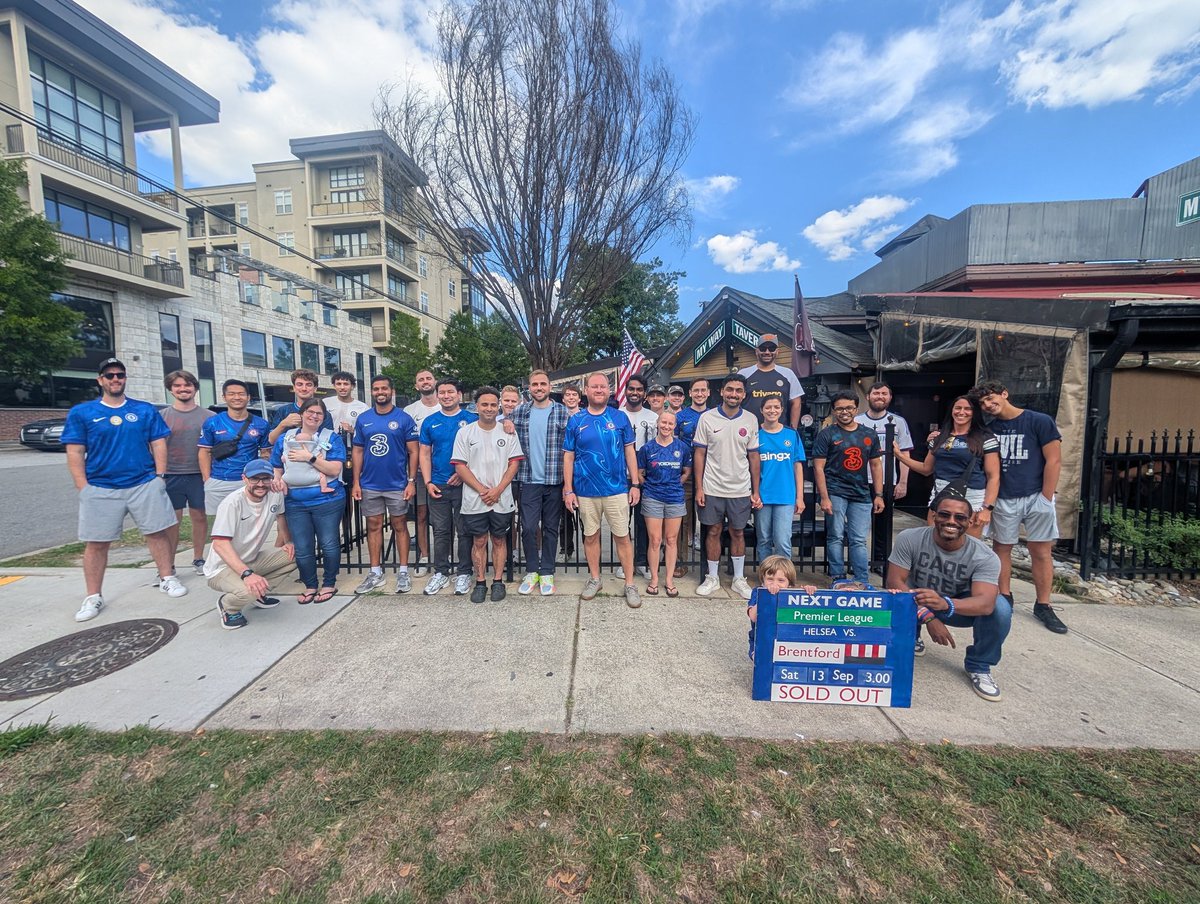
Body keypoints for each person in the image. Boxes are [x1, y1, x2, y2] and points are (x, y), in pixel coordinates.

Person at [63, 358, 187, 622]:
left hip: (143, 482)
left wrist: (159, 476)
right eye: (109, 375)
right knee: (96, 543)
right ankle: (93, 595)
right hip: (100, 486)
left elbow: (158, 443)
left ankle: (167, 577)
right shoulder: (82, 412)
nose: (115, 379)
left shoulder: (143, 410)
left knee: (157, 532)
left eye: (120, 375)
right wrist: (82, 486)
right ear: (100, 380)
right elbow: (75, 450)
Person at [886, 488, 1011, 702]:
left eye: (960, 517)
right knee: (896, 592)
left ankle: (979, 665)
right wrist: (928, 616)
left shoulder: (985, 556)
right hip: (918, 603)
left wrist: (945, 604)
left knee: (1001, 608)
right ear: (934, 516)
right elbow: (894, 581)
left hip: (955, 606)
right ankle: (912, 636)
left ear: (970, 522)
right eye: (944, 514)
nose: (951, 521)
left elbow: (985, 603)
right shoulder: (910, 538)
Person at [971, 379, 1067, 634]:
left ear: (1005, 393)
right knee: (1002, 548)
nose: (989, 405)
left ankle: (1044, 604)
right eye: (983, 403)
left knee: (1041, 550)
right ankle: (1004, 595)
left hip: (1036, 493)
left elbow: (1054, 459)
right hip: (1004, 496)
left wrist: (1046, 497)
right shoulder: (989, 428)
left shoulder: (1038, 420)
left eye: (992, 399)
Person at [563, 372, 642, 608]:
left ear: (609, 390)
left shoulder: (620, 418)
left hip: (616, 489)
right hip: (585, 490)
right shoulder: (576, 420)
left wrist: (635, 483)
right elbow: (568, 457)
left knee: (622, 537)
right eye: (594, 386)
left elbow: (630, 452)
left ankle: (629, 584)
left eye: (603, 386)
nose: (599, 390)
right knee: (590, 536)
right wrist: (568, 490)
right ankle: (595, 579)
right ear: (586, 391)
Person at [270, 398, 346, 604]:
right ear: (302, 413)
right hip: (295, 502)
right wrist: (278, 480)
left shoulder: (331, 438)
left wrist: (309, 457)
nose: (314, 416)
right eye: (310, 412)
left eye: (319, 414)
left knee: (329, 543)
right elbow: (277, 464)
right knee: (303, 547)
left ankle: (329, 583)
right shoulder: (286, 438)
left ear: (324, 417)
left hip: (327, 500)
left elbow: (334, 469)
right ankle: (310, 585)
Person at [693, 374, 761, 600]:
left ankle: (739, 579)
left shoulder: (751, 419)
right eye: (730, 389)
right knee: (713, 531)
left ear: (743, 394)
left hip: (740, 489)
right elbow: (700, 453)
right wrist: (700, 488)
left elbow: (753, 457)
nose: (734, 394)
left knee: (738, 532)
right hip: (712, 487)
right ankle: (712, 577)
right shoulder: (707, 418)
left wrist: (755, 490)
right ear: (721, 391)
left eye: (738, 390)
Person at [205, 459, 296, 630]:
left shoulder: (275, 494)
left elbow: (280, 516)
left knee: (298, 555)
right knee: (247, 591)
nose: (260, 484)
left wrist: (288, 541)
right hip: (221, 568)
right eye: (255, 479)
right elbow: (219, 544)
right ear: (244, 479)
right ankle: (229, 607)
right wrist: (247, 574)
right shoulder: (232, 503)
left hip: (250, 559)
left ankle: (258, 593)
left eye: (265, 479)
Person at [453, 386, 524, 603]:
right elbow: (460, 466)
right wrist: (484, 490)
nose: (490, 408)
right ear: (477, 406)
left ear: (499, 405)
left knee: (500, 540)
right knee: (479, 540)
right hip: (475, 499)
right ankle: (481, 582)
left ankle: (498, 581)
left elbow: (514, 464)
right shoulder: (465, 432)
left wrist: (498, 490)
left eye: (494, 404)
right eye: (485, 404)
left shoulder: (508, 431)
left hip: (501, 498)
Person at [894, 395, 1000, 536]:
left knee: (968, 548)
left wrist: (987, 509)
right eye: (958, 408)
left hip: (971, 498)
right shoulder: (940, 437)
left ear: (974, 413)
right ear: (951, 410)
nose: (962, 412)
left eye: (967, 409)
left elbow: (994, 476)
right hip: (940, 495)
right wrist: (899, 455)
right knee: (935, 543)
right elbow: (926, 469)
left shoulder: (985, 438)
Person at [351, 376, 418, 594]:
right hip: (370, 483)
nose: (380, 392)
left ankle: (404, 571)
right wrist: (356, 482)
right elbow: (358, 451)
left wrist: (410, 481)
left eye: (384, 388)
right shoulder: (363, 419)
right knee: (373, 526)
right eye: (376, 389)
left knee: (400, 526)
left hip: (397, 483)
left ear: (392, 391)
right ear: (372, 392)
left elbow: (413, 451)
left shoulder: (404, 418)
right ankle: (375, 571)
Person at [813, 392, 885, 584]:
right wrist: (824, 497)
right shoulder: (826, 434)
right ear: (834, 411)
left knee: (859, 539)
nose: (844, 412)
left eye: (849, 408)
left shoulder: (868, 434)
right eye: (839, 408)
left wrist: (878, 494)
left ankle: (861, 579)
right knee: (835, 536)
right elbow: (818, 468)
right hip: (835, 491)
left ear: (856, 409)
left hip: (861, 494)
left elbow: (876, 465)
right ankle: (837, 576)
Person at [510, 370, 570, 595]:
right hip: (529, 480)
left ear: (549, 386)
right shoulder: (520, 412)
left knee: (551, 529)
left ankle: (547, 572)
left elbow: (572, 448)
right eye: (534, 384)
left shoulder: (562, 413)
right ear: (529, 387)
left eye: (542, 384)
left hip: (555, 480)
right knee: (527, 527)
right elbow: (502, 426)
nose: (539, 388)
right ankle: (532, 570)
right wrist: (506, 424)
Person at [420, 379, 479, 595]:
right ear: (437, 395)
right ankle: (441, 572)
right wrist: (428, 482)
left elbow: (478, 452)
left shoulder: (471, 419)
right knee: (441, 530)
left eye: (450, 392)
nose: (446, 396)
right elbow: (425, 454)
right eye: (442, 392)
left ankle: (464, 572)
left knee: (465, 530)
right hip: (438, 484)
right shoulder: (430, 422)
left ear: (459, 395)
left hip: (464, 484)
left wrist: (462, 474)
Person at [198, 380, 272, 519]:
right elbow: (204, 452)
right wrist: (207, 479)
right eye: (231, 394)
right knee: (218, 527)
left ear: (248, 397)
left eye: (241, 394)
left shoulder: (261, 424)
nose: (237, 397)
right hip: (218, 481)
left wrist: (261, 478)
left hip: (248, 481)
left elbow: (265, 453)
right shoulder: (212, 422)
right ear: (224, 397)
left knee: (249, 525)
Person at [159, 369, 209, 574]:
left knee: (199, 517)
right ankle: (167, 565)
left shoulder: (209, 416)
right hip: (171, 474)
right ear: (171, 390)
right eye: (177, 385)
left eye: (187, 385)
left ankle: (198, 558)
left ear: (195, 388)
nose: (183, 389)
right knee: (172, 521)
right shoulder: (162, 416)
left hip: (198, 474)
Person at [637, 409, 691, 596]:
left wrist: (678, 483)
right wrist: (649, 485)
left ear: (674, 426)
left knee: (671, 539)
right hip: (653, 497)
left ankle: (668, 579)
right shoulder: (647, 449)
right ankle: (653, 579)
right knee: (655, 540)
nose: (666, 426)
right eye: (663, 422)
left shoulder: (682, 447)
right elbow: (639, 472)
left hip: (675, 498)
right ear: (657, 424)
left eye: (670, 423)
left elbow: (686, 470)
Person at [755, 396, 806, 561]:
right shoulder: (756, 434)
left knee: (782, 540)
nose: (772, 411)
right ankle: (766, 577)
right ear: (762, 410)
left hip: (785, 496)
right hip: (762, 495)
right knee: (763, 540)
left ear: (782, 410)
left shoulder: (791, 435)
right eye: (768, 407)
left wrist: (800, 497)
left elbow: (798, 467)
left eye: (776, 407)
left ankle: (784, 578)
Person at [619, 374, 658, 580]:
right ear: (625, 391)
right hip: (620, 477)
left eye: (639, 390)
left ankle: (642, 561)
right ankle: (623, 562)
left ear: (644, 393)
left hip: (645, 478)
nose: (635, 393)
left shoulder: (652, 417)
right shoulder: (616, 414)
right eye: (631, 389)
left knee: (643, 522)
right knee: (622, 522)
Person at [404, 369, 439, 576]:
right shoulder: (410, 410)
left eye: (428, 378)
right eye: (421, 380)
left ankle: (449, 557)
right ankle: (424, 556)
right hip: (418, 471)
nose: (425, 382)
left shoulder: (445, 406)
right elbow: (406, 442)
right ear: (416, 386)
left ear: (434, 382)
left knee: (450, 517)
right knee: (422, 514)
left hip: (445, 470)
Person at [854, 381, 913, 501]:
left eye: (884, 393)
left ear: (890, 397)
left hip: (887, 479)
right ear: (867, 396)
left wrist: (903, 482)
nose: (880, 396)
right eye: (876, 393)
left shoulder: (899, 421)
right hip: (858, 480)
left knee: (884, 518)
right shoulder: (856, 421)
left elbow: (904, 454)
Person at [674, 379, 710, 568]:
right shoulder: (681, 416)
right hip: (686, 473)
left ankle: (708, 564)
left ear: (708, 393)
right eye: (696, 390)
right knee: (683, 519)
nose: (699, 393)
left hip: (710, 474)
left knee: (710, 521)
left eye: (703, 390)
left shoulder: (714, 415)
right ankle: (680, 562)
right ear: (690, 393)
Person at [739, 333, 804, 429]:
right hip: (748, 431)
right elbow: (735, 402)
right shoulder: (743, 374)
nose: (767, 352)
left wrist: (792, 430)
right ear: (756, 351)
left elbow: (796, 403)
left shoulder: (788, 374)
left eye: (771, 348)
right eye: (763, 348)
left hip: (778, 433)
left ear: (777, 352)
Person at [746, 554, 798, 660]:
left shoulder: (793, 594)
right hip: (761, 638)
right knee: (761, 660)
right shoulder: (758, 592)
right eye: (770, 579)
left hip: (786, 640)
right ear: (763, 581)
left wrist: (809, 591)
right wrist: (765, 597)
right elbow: (753, 617)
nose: (775, 584)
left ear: (790, 584)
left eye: (781, 580)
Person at [268, 368, 333, 444]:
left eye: (308, 385)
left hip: (314, 454)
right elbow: (271, 441)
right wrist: (283, 424)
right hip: (287, 454)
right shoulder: (283, 411)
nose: (304, 388)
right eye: (300, 384)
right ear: (294, 388)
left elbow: (328, 441)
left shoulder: (324, 414)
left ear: (315, 388)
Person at [558, 382, 583, 560]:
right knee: (564, 516)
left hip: (581, 471)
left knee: (585, 515)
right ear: (563, 398)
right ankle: (566, 549)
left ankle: (589, 550)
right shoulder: (558, 416)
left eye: (574, 395)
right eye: (568, 395)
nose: (571, 397)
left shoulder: (584, 416)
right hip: (562, 470)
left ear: (579, 398)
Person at [325, 370, 369, 436]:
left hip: (352, 444)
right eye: (339, 384)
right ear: (334, 386)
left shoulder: (363, 408)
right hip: (328, 443)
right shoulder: (325, 403)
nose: (342, 387)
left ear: (352, 386)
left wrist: (353, 431)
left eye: (346, 384)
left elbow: (367, 429)